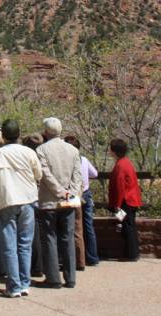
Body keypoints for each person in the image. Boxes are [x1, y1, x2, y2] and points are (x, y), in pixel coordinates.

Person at [0, 119, 42, 298]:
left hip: (7, 201)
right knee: (24, 244)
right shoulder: (29, 152)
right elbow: (38, 174)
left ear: (3, 135)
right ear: (19, 134)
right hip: (28, 200)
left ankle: (14, 286)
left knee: (9, 245)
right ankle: (24, 283)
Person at [36, 117, 82, 289]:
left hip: (49, 201)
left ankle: (53, 279)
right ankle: (71, 278)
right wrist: (71, 193)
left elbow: (45, 174)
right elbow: (77, 175)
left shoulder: (41, 149)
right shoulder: (72, 150)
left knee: (50, 238)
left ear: (46, 132)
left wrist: (59, 191)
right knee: (67, 238)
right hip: (69, 202)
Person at [64, 135, 99, 266]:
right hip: (86, 193)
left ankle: (75, 258)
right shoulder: (83, 159)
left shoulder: (67, 161)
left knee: (72, 225)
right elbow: (95, 174)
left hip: (72, 194)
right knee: (88, 226)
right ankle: (92, 257)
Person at [108, 138, 142, 261]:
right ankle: (131, 252)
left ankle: (132, 254)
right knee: (129, 226)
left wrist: (116, 205)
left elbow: (119, 187)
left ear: (114, 151)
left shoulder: (120, 166)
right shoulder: (126, 162)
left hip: (126, 201)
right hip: (131, 199)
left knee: (127, 227)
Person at [22, 133, 44, 277]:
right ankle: (39, 266)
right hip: (40, 197)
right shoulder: (41, 157)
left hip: (29, 197)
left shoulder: (26, 157)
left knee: (27, 235)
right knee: (39, 234)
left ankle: (33, 266)